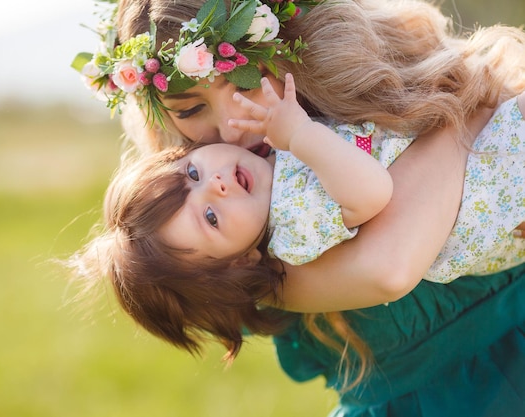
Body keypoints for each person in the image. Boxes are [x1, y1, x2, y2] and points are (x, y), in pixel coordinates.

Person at [69, 0, 525, 415]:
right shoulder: (216, 251)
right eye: (190, 110)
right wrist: (468, 111)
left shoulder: (334, 114)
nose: (231, 126)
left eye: (244, 79)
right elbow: (388, 267)